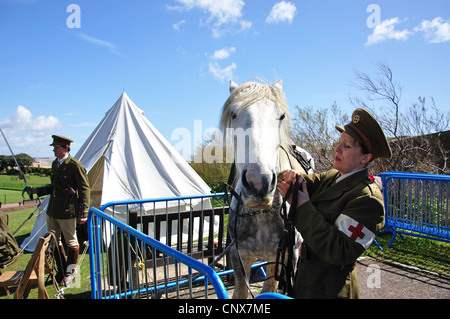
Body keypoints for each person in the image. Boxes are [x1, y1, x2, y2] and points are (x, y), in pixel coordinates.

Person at [277, 108, 392, 299]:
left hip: (331, 289)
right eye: (339, 143)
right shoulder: (333, 176)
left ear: (365, 158)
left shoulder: (367, 199)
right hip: (306, 281)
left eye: (346, 146)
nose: (337, 150)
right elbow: (298, 182)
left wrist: (302, 207)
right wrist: (290, 176)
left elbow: (340, 250)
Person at [27, 135, 90, 286]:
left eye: (56, 147)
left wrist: (83, 213)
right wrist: (36, 190)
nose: (54, 150)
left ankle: (70, 272)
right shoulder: (55, 164)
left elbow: (84, 190)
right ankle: (61, 270)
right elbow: (53, 187)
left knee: (71, 242)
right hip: (53, 210)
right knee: (54, 241)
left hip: (68, 211)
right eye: (54, 148)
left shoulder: (75, 165)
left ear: (66, 148)